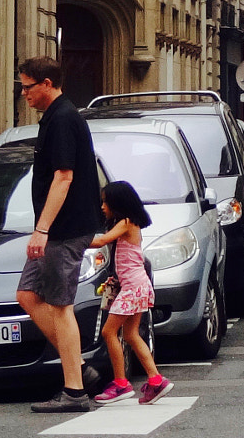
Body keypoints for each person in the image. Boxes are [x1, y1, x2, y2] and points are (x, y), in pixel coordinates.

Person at [13, 56, 104, 414]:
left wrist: (42, 229)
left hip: (63, 230)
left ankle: (75, 391)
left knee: (60, 306)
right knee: (27, 294)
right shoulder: (56, 117)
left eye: (27, 86)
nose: (24, 93)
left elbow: (63, 176)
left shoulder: (64, 119)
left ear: (47, 84)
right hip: (58, 231)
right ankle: (78, 367)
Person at [87, 180, 171, 406]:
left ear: (118, 203)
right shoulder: (127, 223)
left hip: (134, 287)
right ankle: (156, 380)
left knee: (108, 332)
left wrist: (74, 240)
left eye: (105, 202)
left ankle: (121, 383)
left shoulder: (126, 222)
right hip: (136, 286)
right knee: (132, 335)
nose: (102, 207)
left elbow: (102, 240)